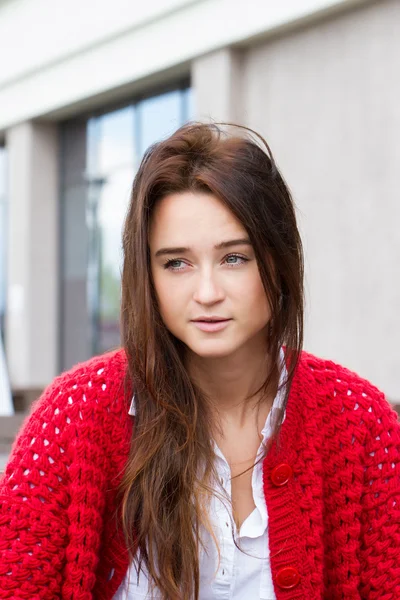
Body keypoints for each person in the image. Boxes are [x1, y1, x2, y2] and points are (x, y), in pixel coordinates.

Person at [0, 122, 399, 600]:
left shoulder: (358, 422)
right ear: (146, 275)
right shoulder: (73, 417)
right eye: (176, 263)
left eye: (234, 258)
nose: (206, 293)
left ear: (279, 260)